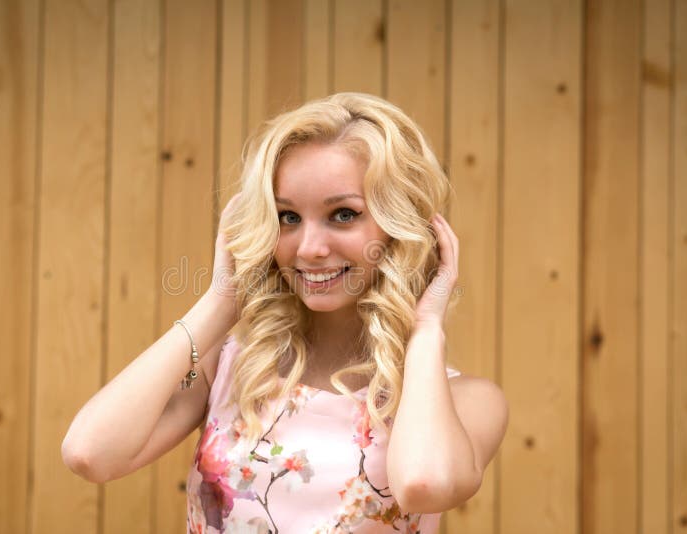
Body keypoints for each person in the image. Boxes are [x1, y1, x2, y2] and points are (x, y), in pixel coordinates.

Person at [62, 92, 508, 533]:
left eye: (343, 214)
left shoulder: (468, 401)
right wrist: (220, 302)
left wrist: (426, 329)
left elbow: (425, 484)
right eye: (288, 218)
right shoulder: (231, 367)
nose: (310, 249)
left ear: (400, 227)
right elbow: (89, 453)